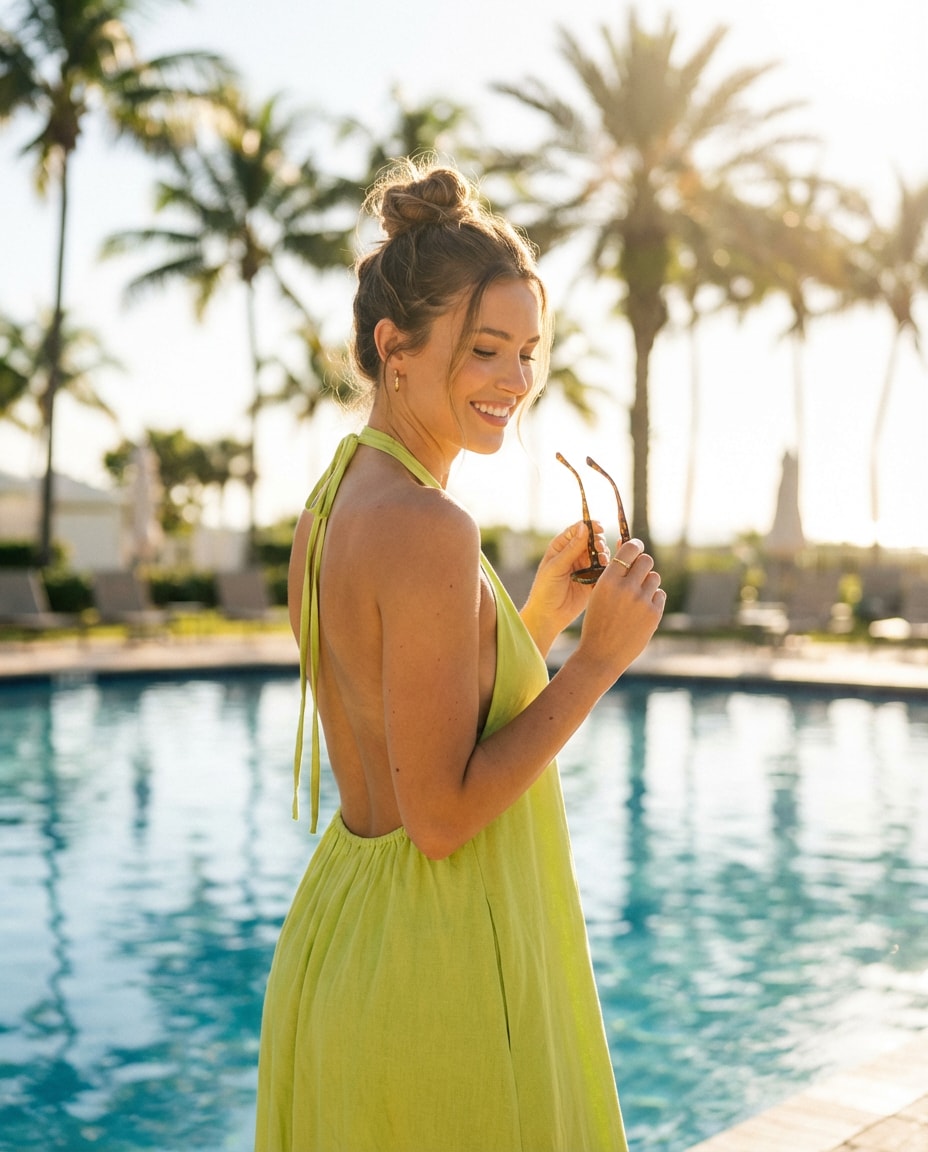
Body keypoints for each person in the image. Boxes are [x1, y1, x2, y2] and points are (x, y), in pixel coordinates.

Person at [254, 158, 665, 1152]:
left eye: (527, 352)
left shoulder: (328, 505)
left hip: (345, 932)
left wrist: (534, 626)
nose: (515, 382)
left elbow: (403, 725)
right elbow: (439, 818)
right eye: (485, 350)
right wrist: (596, 665)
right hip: (434, 967)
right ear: (393, 347)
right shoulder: (430, 526)